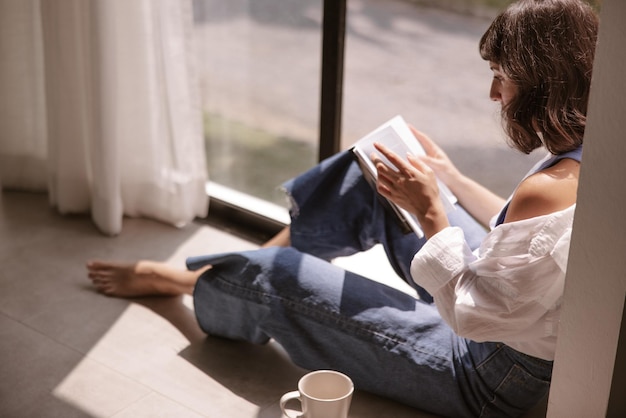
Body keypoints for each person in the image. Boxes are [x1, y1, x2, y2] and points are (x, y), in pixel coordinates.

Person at [87, 1, 598, 416]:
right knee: (368, 177)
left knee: (275, 278)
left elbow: (472, 315)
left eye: (501, 77)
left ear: (541, 81)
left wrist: (430, 213)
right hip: (501, 319)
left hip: (485, 373)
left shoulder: (552, 187)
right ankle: (242, 271)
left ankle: (194, 282)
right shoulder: (590, 153)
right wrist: (452, 179)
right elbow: (513, 236)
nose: (494, 94)